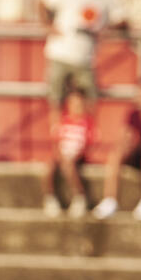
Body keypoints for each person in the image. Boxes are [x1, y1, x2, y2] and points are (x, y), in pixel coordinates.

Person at [38, 0, 127, 130]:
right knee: (56, 96)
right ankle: (57, 130)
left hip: (86, 58)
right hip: (60, 53)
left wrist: (107, 29)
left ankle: (87, 131)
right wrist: (47, 24)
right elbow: (43, 1)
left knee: (90, 96)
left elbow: (122, 20)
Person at [93, 80, 141, 220]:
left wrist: (138, 142)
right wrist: (130, 144)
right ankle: (110, 200)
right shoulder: (133, 115)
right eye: (140, 96)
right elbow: (125, 138)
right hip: (138, 153)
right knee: (116, 153)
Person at [43, 87, 94, 218]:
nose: (76, 108)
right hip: (63, 155)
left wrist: (74, 156)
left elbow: (87, 145)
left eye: (79, 104)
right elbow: (56, 142)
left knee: (68, 164)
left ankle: (79, 197)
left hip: (77, 156)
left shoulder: (87, 122)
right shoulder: (63, 121)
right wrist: (60, 155)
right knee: (49, 166)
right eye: (73, 104)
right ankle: (50, 198)